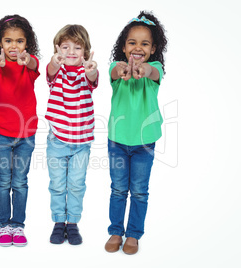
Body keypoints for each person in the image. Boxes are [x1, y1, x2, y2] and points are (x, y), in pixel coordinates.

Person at [104, 11, 168, 255]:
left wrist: (144, 70)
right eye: (132, 42)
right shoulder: (116, 67)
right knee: (118, 189)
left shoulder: (155, 69)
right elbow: (113, 73)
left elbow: (153, 74)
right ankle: (116, 231)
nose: (137, 48)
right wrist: (122, 71)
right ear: (124, 46)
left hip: (144, 142)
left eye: (144, 43)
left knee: (139, 190)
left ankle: (133, 234)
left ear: (153, 49)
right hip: (117, 141)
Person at [0, 14, 40, 247]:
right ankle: (3, 226)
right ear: (0, 43)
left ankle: (18, 225)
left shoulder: (30, 63)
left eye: (19, 41)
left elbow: (34, 65)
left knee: (20, 181)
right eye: (8, 41)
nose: (13, 46)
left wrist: (27, 60)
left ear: (26, 43)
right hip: (0, 132)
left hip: (26, 134)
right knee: (2, 181)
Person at [45, 25, 98, 245]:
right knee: (57, 184)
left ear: (85, 52)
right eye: (65, 47)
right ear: (57, 50)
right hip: (58, 138)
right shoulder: (58, 71)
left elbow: (93, 77)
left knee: (76, 184)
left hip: (82, 142)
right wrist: (55, 62)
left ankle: (73, 223)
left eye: (77, 47)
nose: (71, 52)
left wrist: (91, 69)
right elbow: (49, 71)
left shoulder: (86, 73)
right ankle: (59, 222)